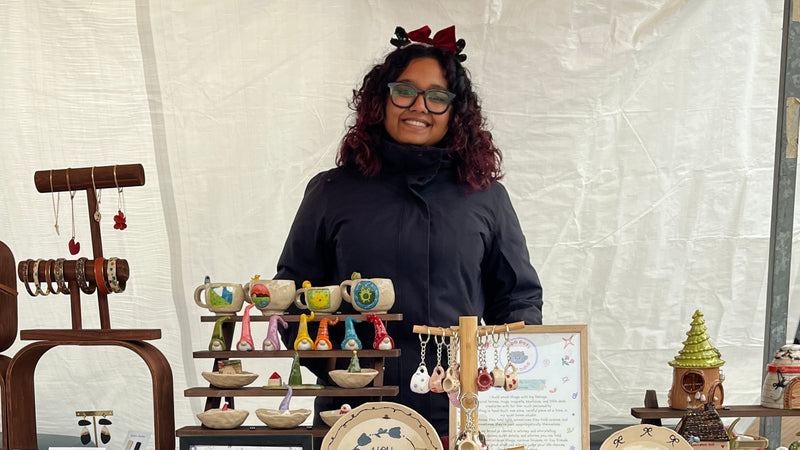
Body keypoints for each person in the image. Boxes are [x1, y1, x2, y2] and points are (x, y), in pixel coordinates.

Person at [275, 25, 542, 440]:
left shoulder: (484, 197)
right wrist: (341, 369)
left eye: (437, 97)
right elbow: (293, 296)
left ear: (455, 112)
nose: (419, 106)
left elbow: (517, 299)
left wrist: (502, 373)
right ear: (380, 100)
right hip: (352, 417)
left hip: (459, 416)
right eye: (405, 91)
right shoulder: (332, 191)